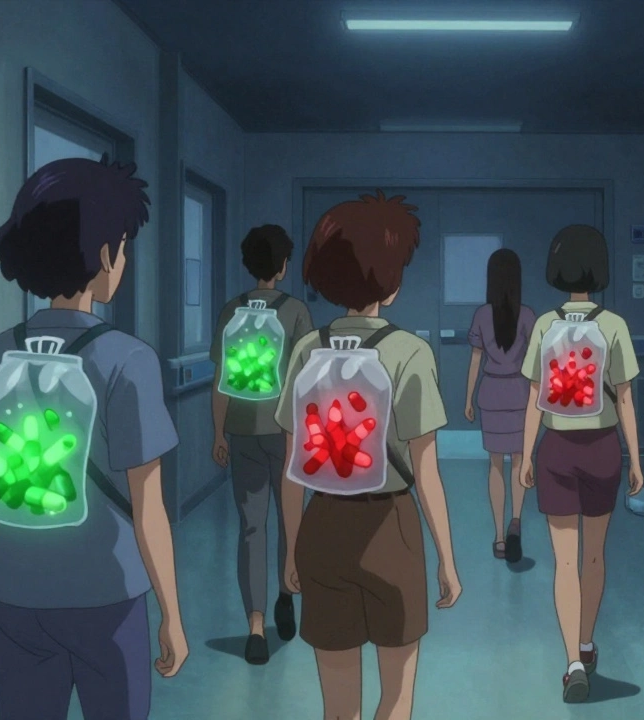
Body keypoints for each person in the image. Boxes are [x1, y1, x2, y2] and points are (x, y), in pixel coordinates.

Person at [0, 156, 187, 720]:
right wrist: (171, 617)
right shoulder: (129, 360)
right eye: (124, 246)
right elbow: (147, 509)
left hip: (13, 596)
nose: (124, 259)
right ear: (105, 254)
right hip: (106, 600)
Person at [274, 190, 462, 720]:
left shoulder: (308, 350)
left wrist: (291, 550)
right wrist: (446, 559)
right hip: (391, 532)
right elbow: (426, 473)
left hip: (322, 527)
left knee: (337, 709)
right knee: (396, 701)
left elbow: (292, 470)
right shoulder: (410, 354)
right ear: (393, 282)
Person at [519, 224, 644, 704]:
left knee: (564, 560)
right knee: (595, 555)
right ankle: (588, 642)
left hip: (555, 448)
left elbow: (534, 397)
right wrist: (635, 458)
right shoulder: (613, 326)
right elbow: (627, 398)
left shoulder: (546, 327)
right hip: (602, 448)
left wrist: (527, 455)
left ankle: (572, 660)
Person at [210, 224, 313, 664]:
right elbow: (308, 381)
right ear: (283, 266)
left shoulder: (230, 311)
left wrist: (218, 432)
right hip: (286, 432)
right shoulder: (295, 311)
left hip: (242, 430)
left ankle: (255, 626)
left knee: (252, 527)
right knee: (291, 522)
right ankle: (287, 597)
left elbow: (220, 381)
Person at [464, 248, 538, 563]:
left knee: (495, 465)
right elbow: (535, 363)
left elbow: (476, 359)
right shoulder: (528, 315)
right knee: (520, 462)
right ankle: (516, 522)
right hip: (520, 394)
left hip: (491, 393)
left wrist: (467, 399)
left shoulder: (482, 315)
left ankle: (497, 536)